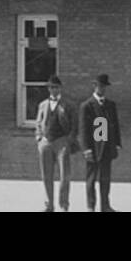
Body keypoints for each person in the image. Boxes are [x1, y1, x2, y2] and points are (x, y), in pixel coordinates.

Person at [78, 73, 120, 212]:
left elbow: (115, 125)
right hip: (93, 148)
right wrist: (86, 149)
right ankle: (91, 205)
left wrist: (117, 143)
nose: (101, 89)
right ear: (94, 86)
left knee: (105, 179)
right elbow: (83, 129)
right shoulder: (87, 106)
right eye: (99, 86)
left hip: (107, 147)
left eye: (104, 86)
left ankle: (105, 205)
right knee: (91, 179)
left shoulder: (110, 105)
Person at [34, 74, 76, 211]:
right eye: (51, 87)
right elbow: (38, 123)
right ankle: (49, 204)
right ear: (48, 89)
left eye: (56, 87)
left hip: (61, 142)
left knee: (65, 175)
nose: (53, 90)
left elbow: (75, 125)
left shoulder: (68, 104)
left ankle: (64, 204)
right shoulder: (43, 105)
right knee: (46, 175)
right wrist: (39, 138)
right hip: (46, 142)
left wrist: (69, 140)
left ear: (61, 88)